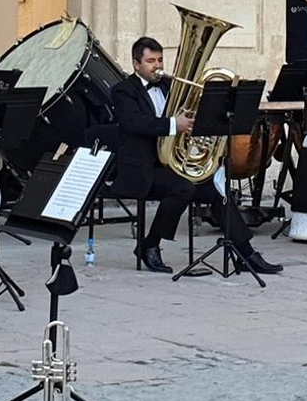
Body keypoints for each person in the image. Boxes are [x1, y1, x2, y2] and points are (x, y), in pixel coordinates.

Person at [111, 36, 283, 276]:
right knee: (183, 188)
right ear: (136, 64)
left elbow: (189, 118)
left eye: (160, 60)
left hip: (171, 165)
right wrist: (175, 125)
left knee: (217, 192)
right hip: (142, 168)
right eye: (151, 61)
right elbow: (133, 122)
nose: (157, 66)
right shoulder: (123, 90)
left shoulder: (170, 86)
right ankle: (149, 244)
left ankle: (246, 253)